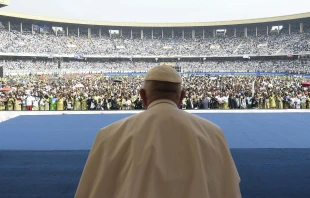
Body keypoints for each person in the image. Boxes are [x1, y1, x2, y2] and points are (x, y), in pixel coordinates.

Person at [75, 65, 241, 198]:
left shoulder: (109, 135)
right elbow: (228, 187)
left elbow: (93, 189)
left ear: (142, 96)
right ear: (182, 97)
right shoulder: (213, 133)